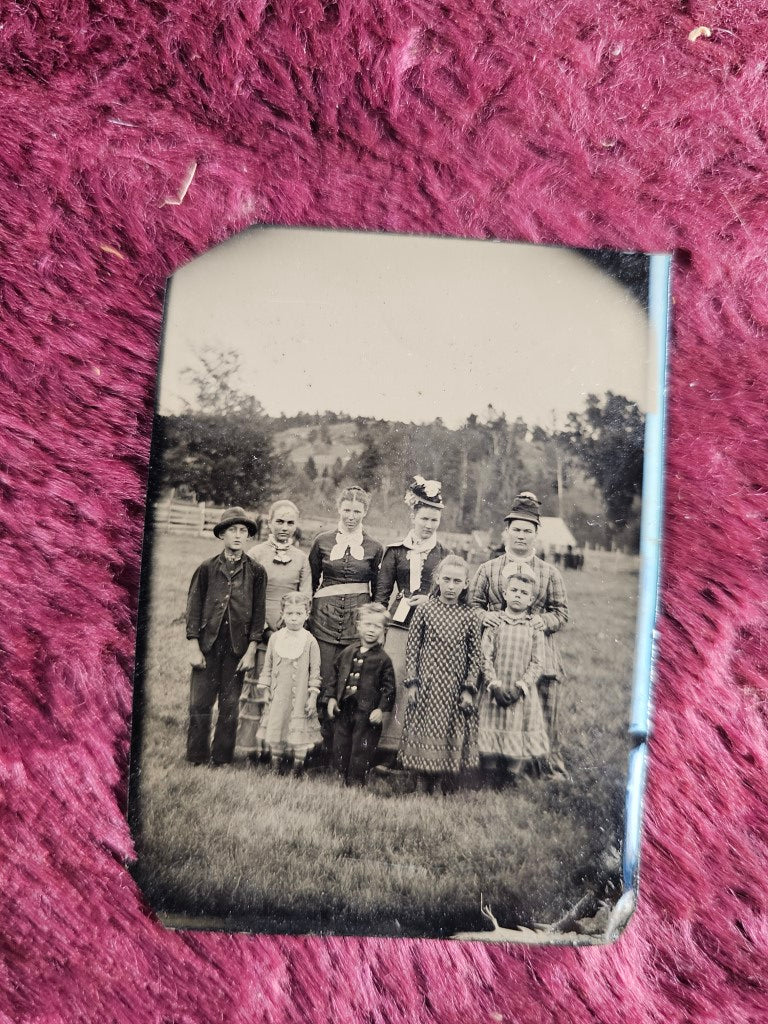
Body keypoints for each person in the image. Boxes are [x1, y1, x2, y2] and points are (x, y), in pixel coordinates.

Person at [469, 491, 569, 779]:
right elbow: (472, 605)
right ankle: (483, 763)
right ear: (506, 532)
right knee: (489, 704)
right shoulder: (488, 569)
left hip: (537, 652)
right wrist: (486, 616)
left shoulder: (549, 574)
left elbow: (561, 613)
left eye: (528, 531)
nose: (521, 536)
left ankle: (544, 767)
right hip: (497, 653)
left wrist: (539, 621)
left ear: (536, 534)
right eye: (516, 530)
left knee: (545, 702)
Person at [374, 476, 451, 760]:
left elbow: (453, 593)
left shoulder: (445, 554)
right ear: (413, 516)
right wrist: (382, 624)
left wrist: (430, 600)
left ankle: (415, 748)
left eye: (434, 520)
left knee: (422, 684)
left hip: (433, 627)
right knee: (394, 679)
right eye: (424, 519)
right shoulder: (395, 551)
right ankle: (386, 748)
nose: (429, 525)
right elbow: (382, 595)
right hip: (399, 625)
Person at [185, 506, 267, 766]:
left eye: (243, 530)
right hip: (208, 645)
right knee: (199, 703)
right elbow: (194, 609)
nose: (238, 535)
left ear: (248, 536)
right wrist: (195, 647)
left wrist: (252, 649)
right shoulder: (207, 569)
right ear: (222, 534)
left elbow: (258, 614)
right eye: (232, 530)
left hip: (237, 648)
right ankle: (196, 756)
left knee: (230, 706)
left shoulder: (256, 572)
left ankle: (221, 758)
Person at [308, 486, 383, 755]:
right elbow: (311, 581)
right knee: (322, 681)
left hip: (356, 626)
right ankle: (317, 747)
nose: (351, 516)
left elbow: (377, 591)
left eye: (357, 511)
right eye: (347, 510)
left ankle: (341, 752)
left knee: (349, 687)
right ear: (339, 509)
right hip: (323, 623)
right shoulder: (322, 542)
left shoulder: (374, 547)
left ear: (365, 512)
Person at [398, 555, 481, 794]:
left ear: (466, 583)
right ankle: (420, 782)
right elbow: (413, 647)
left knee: (447, 730)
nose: (451, 586)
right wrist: (412, 682)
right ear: (437, 579)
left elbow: (475, 655)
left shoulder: (470, 615)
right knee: (422, 728)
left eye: (457, 581)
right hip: (426, 682)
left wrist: (468, 688)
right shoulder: (425, 608)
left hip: (453, 686)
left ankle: (439, 783)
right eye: (446, 579)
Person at [237, 499, 312, 757]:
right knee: (259, 687)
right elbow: (246, 595)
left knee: (284, 691)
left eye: (290, 522)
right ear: (269, 523)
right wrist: (265, 627)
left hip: (289, 631)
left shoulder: (302, 558)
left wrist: (287, 626)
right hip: (259, 630)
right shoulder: (257, 554)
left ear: (296, 526)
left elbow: (305, 596)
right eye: (279, 521)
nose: (284, 527)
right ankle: (251, 748)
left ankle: (277, 748)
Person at [477, 564, 550, 787]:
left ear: (531, 600)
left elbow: (538, 662)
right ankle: (488, 776)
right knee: (490, 732)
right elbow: (484, 656)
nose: (518, 596)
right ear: (505, 594)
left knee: (518, 731)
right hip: (495, 689)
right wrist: (493, 683)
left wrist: (522, 686)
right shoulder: (495, 623)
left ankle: (510, 777)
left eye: (524, 593)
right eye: (514, 591)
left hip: (521, 692)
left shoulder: (534, 627)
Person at [322, 603, 395, 786]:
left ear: (384, 630)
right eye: (368, 624)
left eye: (377, 626)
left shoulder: (383, 660)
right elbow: (334, 676)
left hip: (367, 714)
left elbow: (389, 688)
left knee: (361, 747)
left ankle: (356, 780)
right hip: (344, 709)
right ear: (358, 625)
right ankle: (339, 775)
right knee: (340, 743)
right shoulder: (347, 652)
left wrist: (381, 709)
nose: (371, 630)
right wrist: (331, 698)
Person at [255, 592, 322, 774]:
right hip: (278, 696)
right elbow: (267, 666)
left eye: (298, 614)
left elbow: (315, 673)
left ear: (307, 615)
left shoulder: (310, 641)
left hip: (299, 697)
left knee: (298, 732)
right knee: (277, 728)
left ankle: (297, 768)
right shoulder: (276, 639)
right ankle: (276, 766)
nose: (293, 619)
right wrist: (266, 689)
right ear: (282, 614)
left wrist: (312, 697)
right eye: (290, 614)